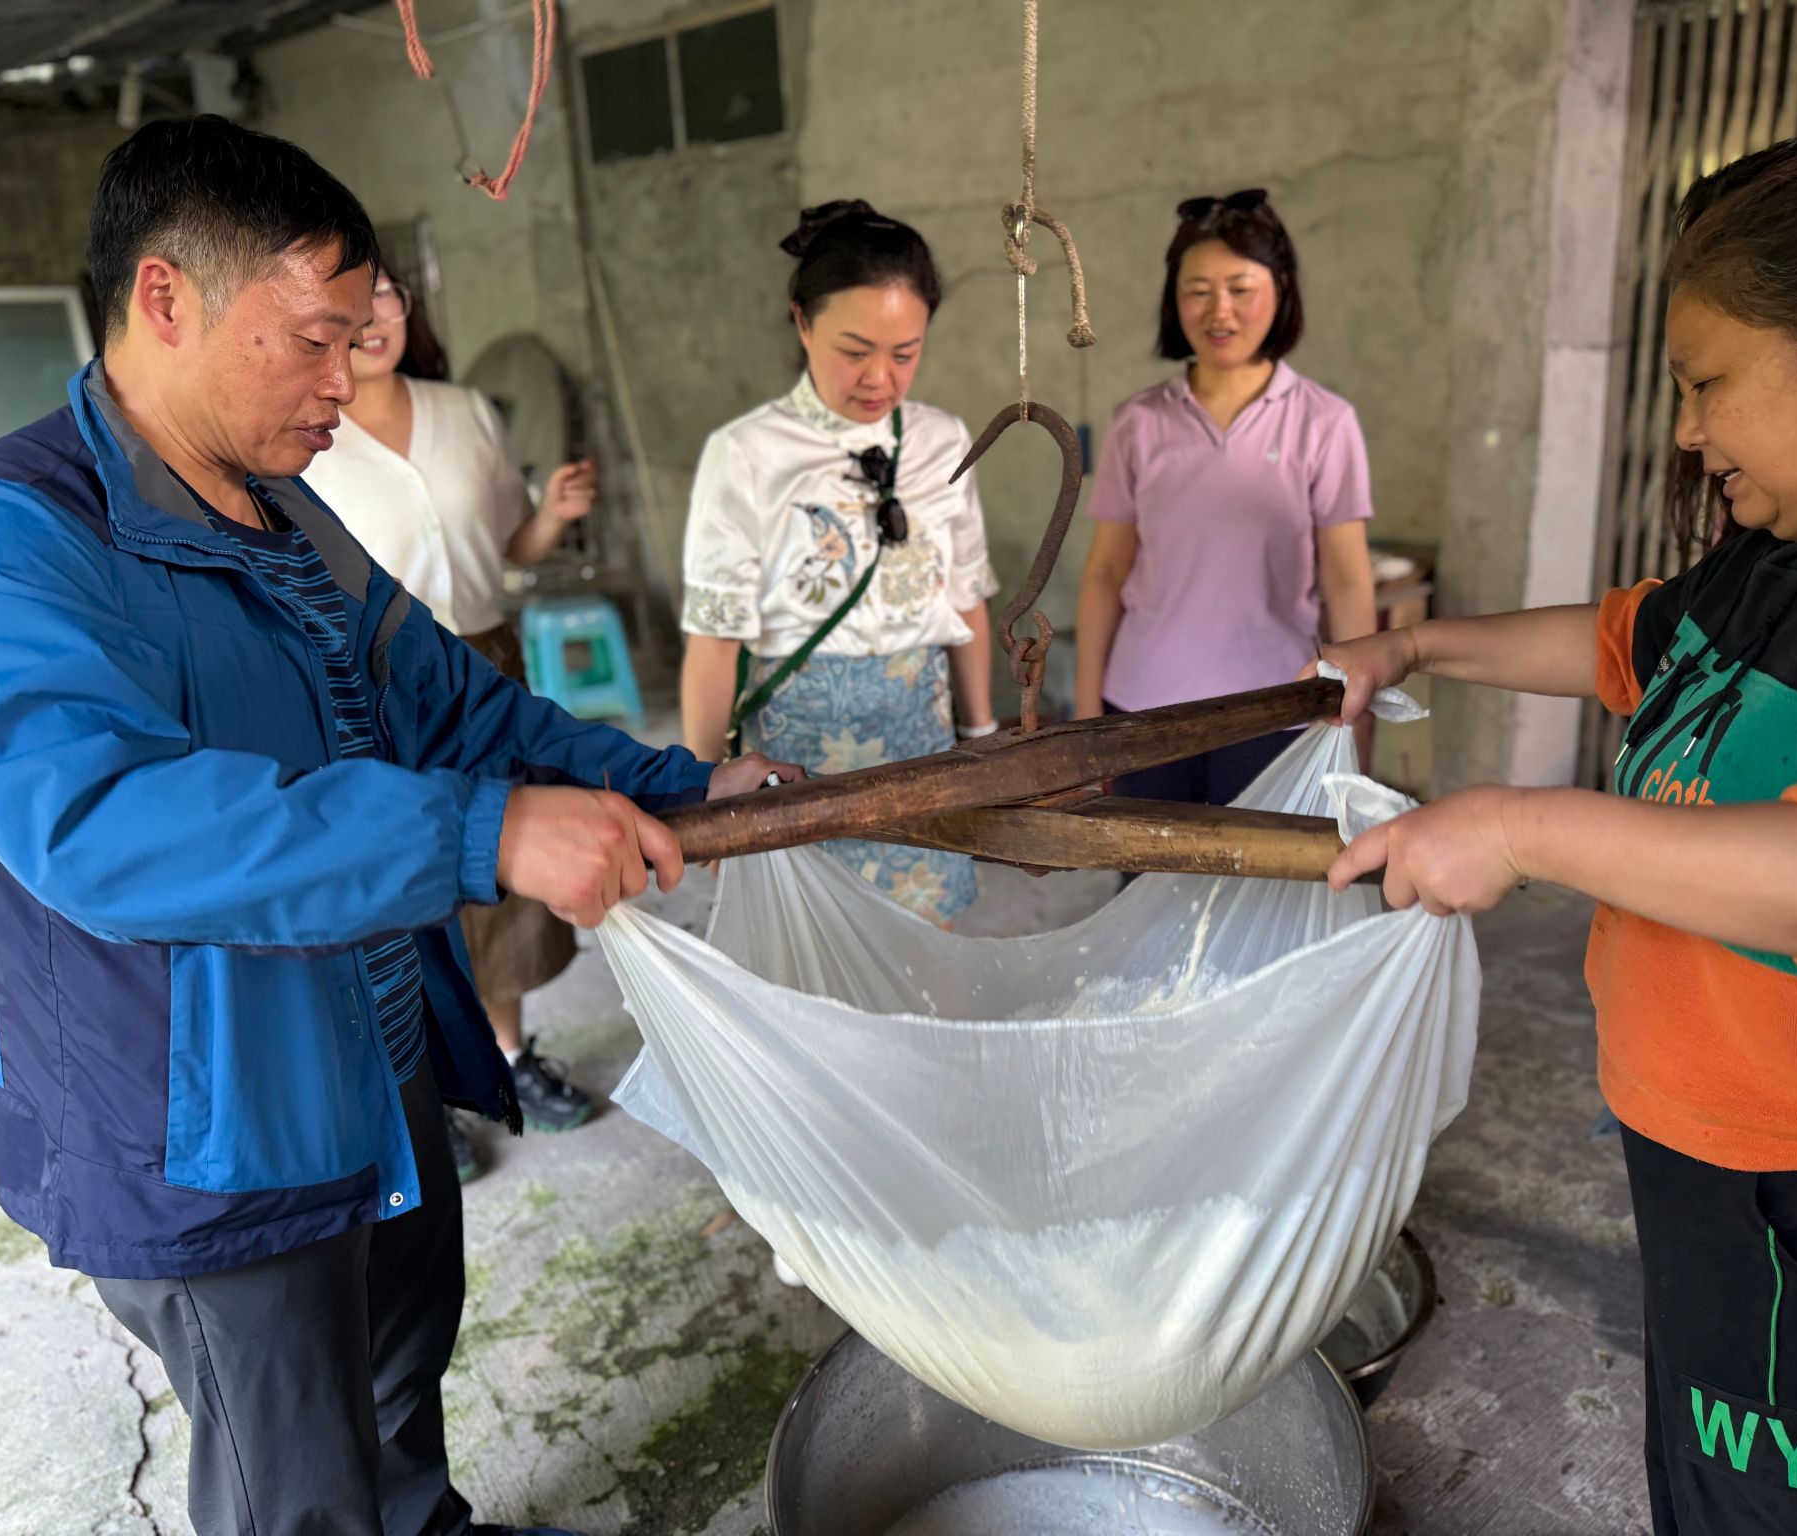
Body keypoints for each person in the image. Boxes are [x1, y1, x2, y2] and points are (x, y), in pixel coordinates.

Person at [0, 116, 794, 1536]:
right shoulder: (22, 534)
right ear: (165, 299)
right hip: (205, 1118)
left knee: (402, 1370)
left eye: (358, 341)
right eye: (313, 340)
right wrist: (480, 838)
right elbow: (104, 822)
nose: (344, 385)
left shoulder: (286, 511)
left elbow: (448, 702)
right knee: (296, 1477)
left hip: (370, 1036)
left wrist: (670, 782)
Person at [1317, 114, 1797, 1535]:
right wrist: (1415, 647)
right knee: (1712, 1495)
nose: (1689, 430)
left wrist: (1520, 830)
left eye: (1707, 384)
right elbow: (1633, 642)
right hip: (1724, 1160)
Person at [300, 249, 601, 1179]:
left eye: (386, 296)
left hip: (487, 663)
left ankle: (508, 1058)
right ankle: (425, 1089)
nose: (373, 318)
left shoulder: (466, 410)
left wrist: (553, 517)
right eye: (352, 305)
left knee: (506, 861)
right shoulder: (305, 430)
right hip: (374, 684)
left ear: (406, 307)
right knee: (409, 873)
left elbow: (509, 544)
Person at [678, 199, 999, 927]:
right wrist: (702, 790)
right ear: (802, 322)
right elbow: (714, 639)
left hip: (921, 752)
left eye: (905, 354)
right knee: (808, 958)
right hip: (795, 764)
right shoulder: (746, 454)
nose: (880, 377)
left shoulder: (945, 442)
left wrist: (981, 738)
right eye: (855, 351)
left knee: (925, 957)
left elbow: (966, 598)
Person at [1074, 188, 1378, 804]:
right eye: (1198, 290)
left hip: (1275, 711)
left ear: (1281, 288)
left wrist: (1358, 724)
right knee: (1147, 869)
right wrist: (1084, 719)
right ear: (1173, 297)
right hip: (1143, 711)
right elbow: (1105, 573)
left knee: (1261, 868)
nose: (1220, 311)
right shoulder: (1138, 421)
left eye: (1240, 289)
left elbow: (1348, 582)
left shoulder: (1324, 422)